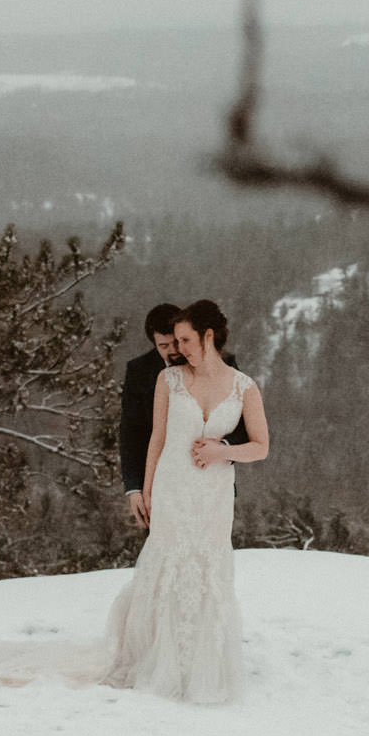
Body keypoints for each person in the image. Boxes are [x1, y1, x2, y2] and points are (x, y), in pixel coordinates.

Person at [102, 299, 269, 703]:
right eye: (173, 341)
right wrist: (145, 488)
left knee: (206, 570)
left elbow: (261, 446)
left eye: (185, 339)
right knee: (169, 565)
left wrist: (223, 450)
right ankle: (156, 659)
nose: (178, 349)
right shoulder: (169, 380)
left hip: (213, 493)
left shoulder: (244, 386)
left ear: (208, 336)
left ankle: (202, 664)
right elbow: (155, 437)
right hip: (174, 487)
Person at [119, 303, 245, 530]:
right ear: (154, 344)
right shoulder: (140, 371)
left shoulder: (223, 364)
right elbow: (131, 433)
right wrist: (135, 489)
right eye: (163, 345)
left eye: (177, 342)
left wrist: (222, 449)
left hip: (211, 480)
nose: (173, 350)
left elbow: (243, 426)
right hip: (162, 484)